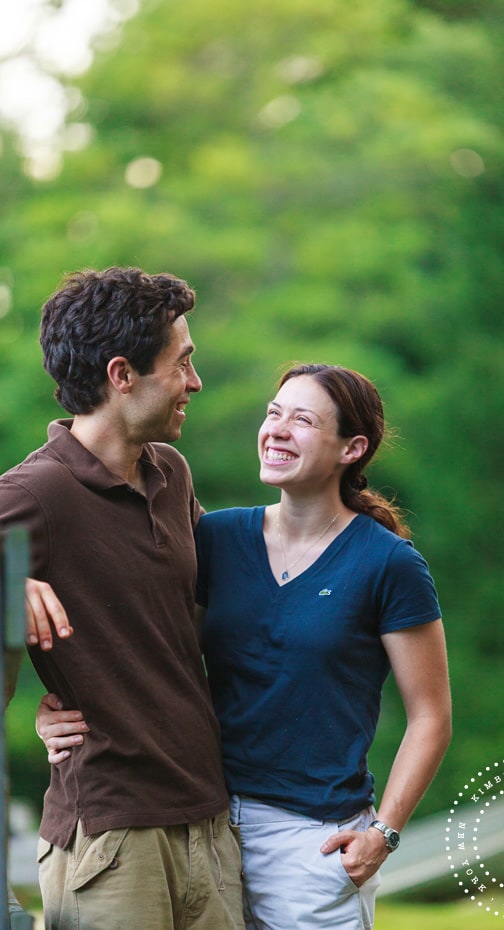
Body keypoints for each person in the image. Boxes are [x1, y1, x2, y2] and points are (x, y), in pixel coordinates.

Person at [36, 362, 451, 930]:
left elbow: (431, 715)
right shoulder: (218, 538)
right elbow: (149, 643)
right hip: (204, 825)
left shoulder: (388, 564)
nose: (276, 429)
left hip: (313, 843)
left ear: (351, 448)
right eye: (273, 413)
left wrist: (384, 833)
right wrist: (56, 698)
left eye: (302, 420)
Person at [0, 267, 244, 930]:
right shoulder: (35, 494)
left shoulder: (171, 473)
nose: (194, 383)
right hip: (110, 842)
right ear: (121, 375)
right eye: (182, 364)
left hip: (210, 828)